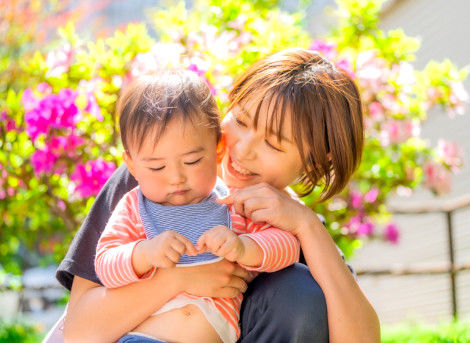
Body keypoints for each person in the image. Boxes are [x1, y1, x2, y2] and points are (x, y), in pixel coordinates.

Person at [56, 48, 380, 343]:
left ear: (315, 160)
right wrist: (177, 280)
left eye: (273, 143)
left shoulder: (292, 229)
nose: (243, 149)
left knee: (300, 290)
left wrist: (308, 227)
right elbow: (80, 332)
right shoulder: (153, 184)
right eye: (240, 120)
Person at [95, 70, 300, 343]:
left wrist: (244, 247)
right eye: (157, 166)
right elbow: (105, 264)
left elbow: (287, 246)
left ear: (217, 150)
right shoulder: (135, 206)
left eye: (191, 162)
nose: (176, 178)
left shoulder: (233, 202)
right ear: (132, 164)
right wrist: (144, 253)